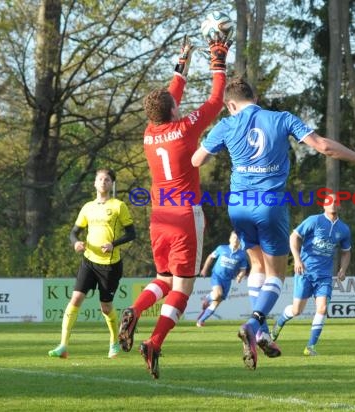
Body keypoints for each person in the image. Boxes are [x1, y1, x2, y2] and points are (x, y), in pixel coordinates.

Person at [191, 77, 355, 370]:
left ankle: (264, 332)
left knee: (257, 266)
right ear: (254, 97)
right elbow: (323, 147)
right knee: (276, 276)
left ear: (230, 104)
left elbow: (196, 161)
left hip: (237, 205)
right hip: (269, 205)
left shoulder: (226, 125)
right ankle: (254, 323)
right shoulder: (281, 118)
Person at [117, 34, 232, 379]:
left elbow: (171, 95)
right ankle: (154, 342)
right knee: (182, 287)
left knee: (162, 278)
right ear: (172, 110)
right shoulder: (184, 129)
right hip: (184, 216)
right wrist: (218, 57)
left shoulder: (150, 134)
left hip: (159, 217)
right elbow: (216, 98)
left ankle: (135, 311)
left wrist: (182, 62)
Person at [48, 168, 136, 359]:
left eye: (107, 179)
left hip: (110, 265)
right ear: (94, 184)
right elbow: (73, 232)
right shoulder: (87, 207)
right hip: (89, 261)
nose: (103, 182)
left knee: (105, 307)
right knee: (76, 299)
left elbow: (131, 233)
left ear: (111, 184)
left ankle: (114, 342)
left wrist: (114, 244)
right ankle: (63, 345)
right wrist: (76, 243)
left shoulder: (118, 206)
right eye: (100, 179)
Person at [271, 193, 351, 356]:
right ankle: (278, 325)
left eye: (336, 201)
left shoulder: (344, 229)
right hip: (305, 272)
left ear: (340, 205)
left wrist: (343, 268)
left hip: (324, 276)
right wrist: (297, 260)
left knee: (322, 308)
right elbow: (294, 237)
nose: (333, 204)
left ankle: (310, 347)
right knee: (296, 310)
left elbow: (346, 251)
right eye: (329, 201)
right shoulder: (314, 220)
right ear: (324, 205)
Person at [196, 231, 249, 327]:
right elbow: (210, 257)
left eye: (237, 239)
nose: (235, 240)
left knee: (216, 303)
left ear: (240, 241)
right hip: (217, 276)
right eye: (233, 238)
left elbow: (243, 270)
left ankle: (200, 321)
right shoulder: (222, 248)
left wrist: (240, 277)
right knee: (218, 294)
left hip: (227, 281)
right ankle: (207, 298)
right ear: (229, 239)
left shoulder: (242, 255)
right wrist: (204, 269)